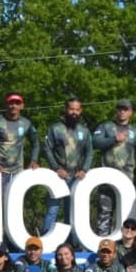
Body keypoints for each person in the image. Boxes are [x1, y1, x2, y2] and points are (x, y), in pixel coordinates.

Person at [91, 100, 136, 235]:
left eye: (125, 109)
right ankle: (103, 241)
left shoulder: (135, 132)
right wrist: (114, 139)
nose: (122, 112)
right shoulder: (106, 126)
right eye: (120, 109)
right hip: (106, 176)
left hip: (126, 178)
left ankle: (124, 242)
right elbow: (95, 142)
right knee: (104, 210)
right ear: (116, 110)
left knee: (125, 212)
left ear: (131, 112)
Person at [40, 99, 93, 235]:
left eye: (77, 109)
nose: (74, 112)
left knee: (72, 211)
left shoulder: (84, 130)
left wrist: (84, 170)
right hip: (57, 176)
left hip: (76, 178)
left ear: (80, 111)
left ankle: (71, 242)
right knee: (52, 210)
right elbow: (47, 149)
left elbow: (89, 152)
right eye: (71, 109)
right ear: (65, 109)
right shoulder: (55, 128)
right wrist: (56, 168)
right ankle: (47, 240)